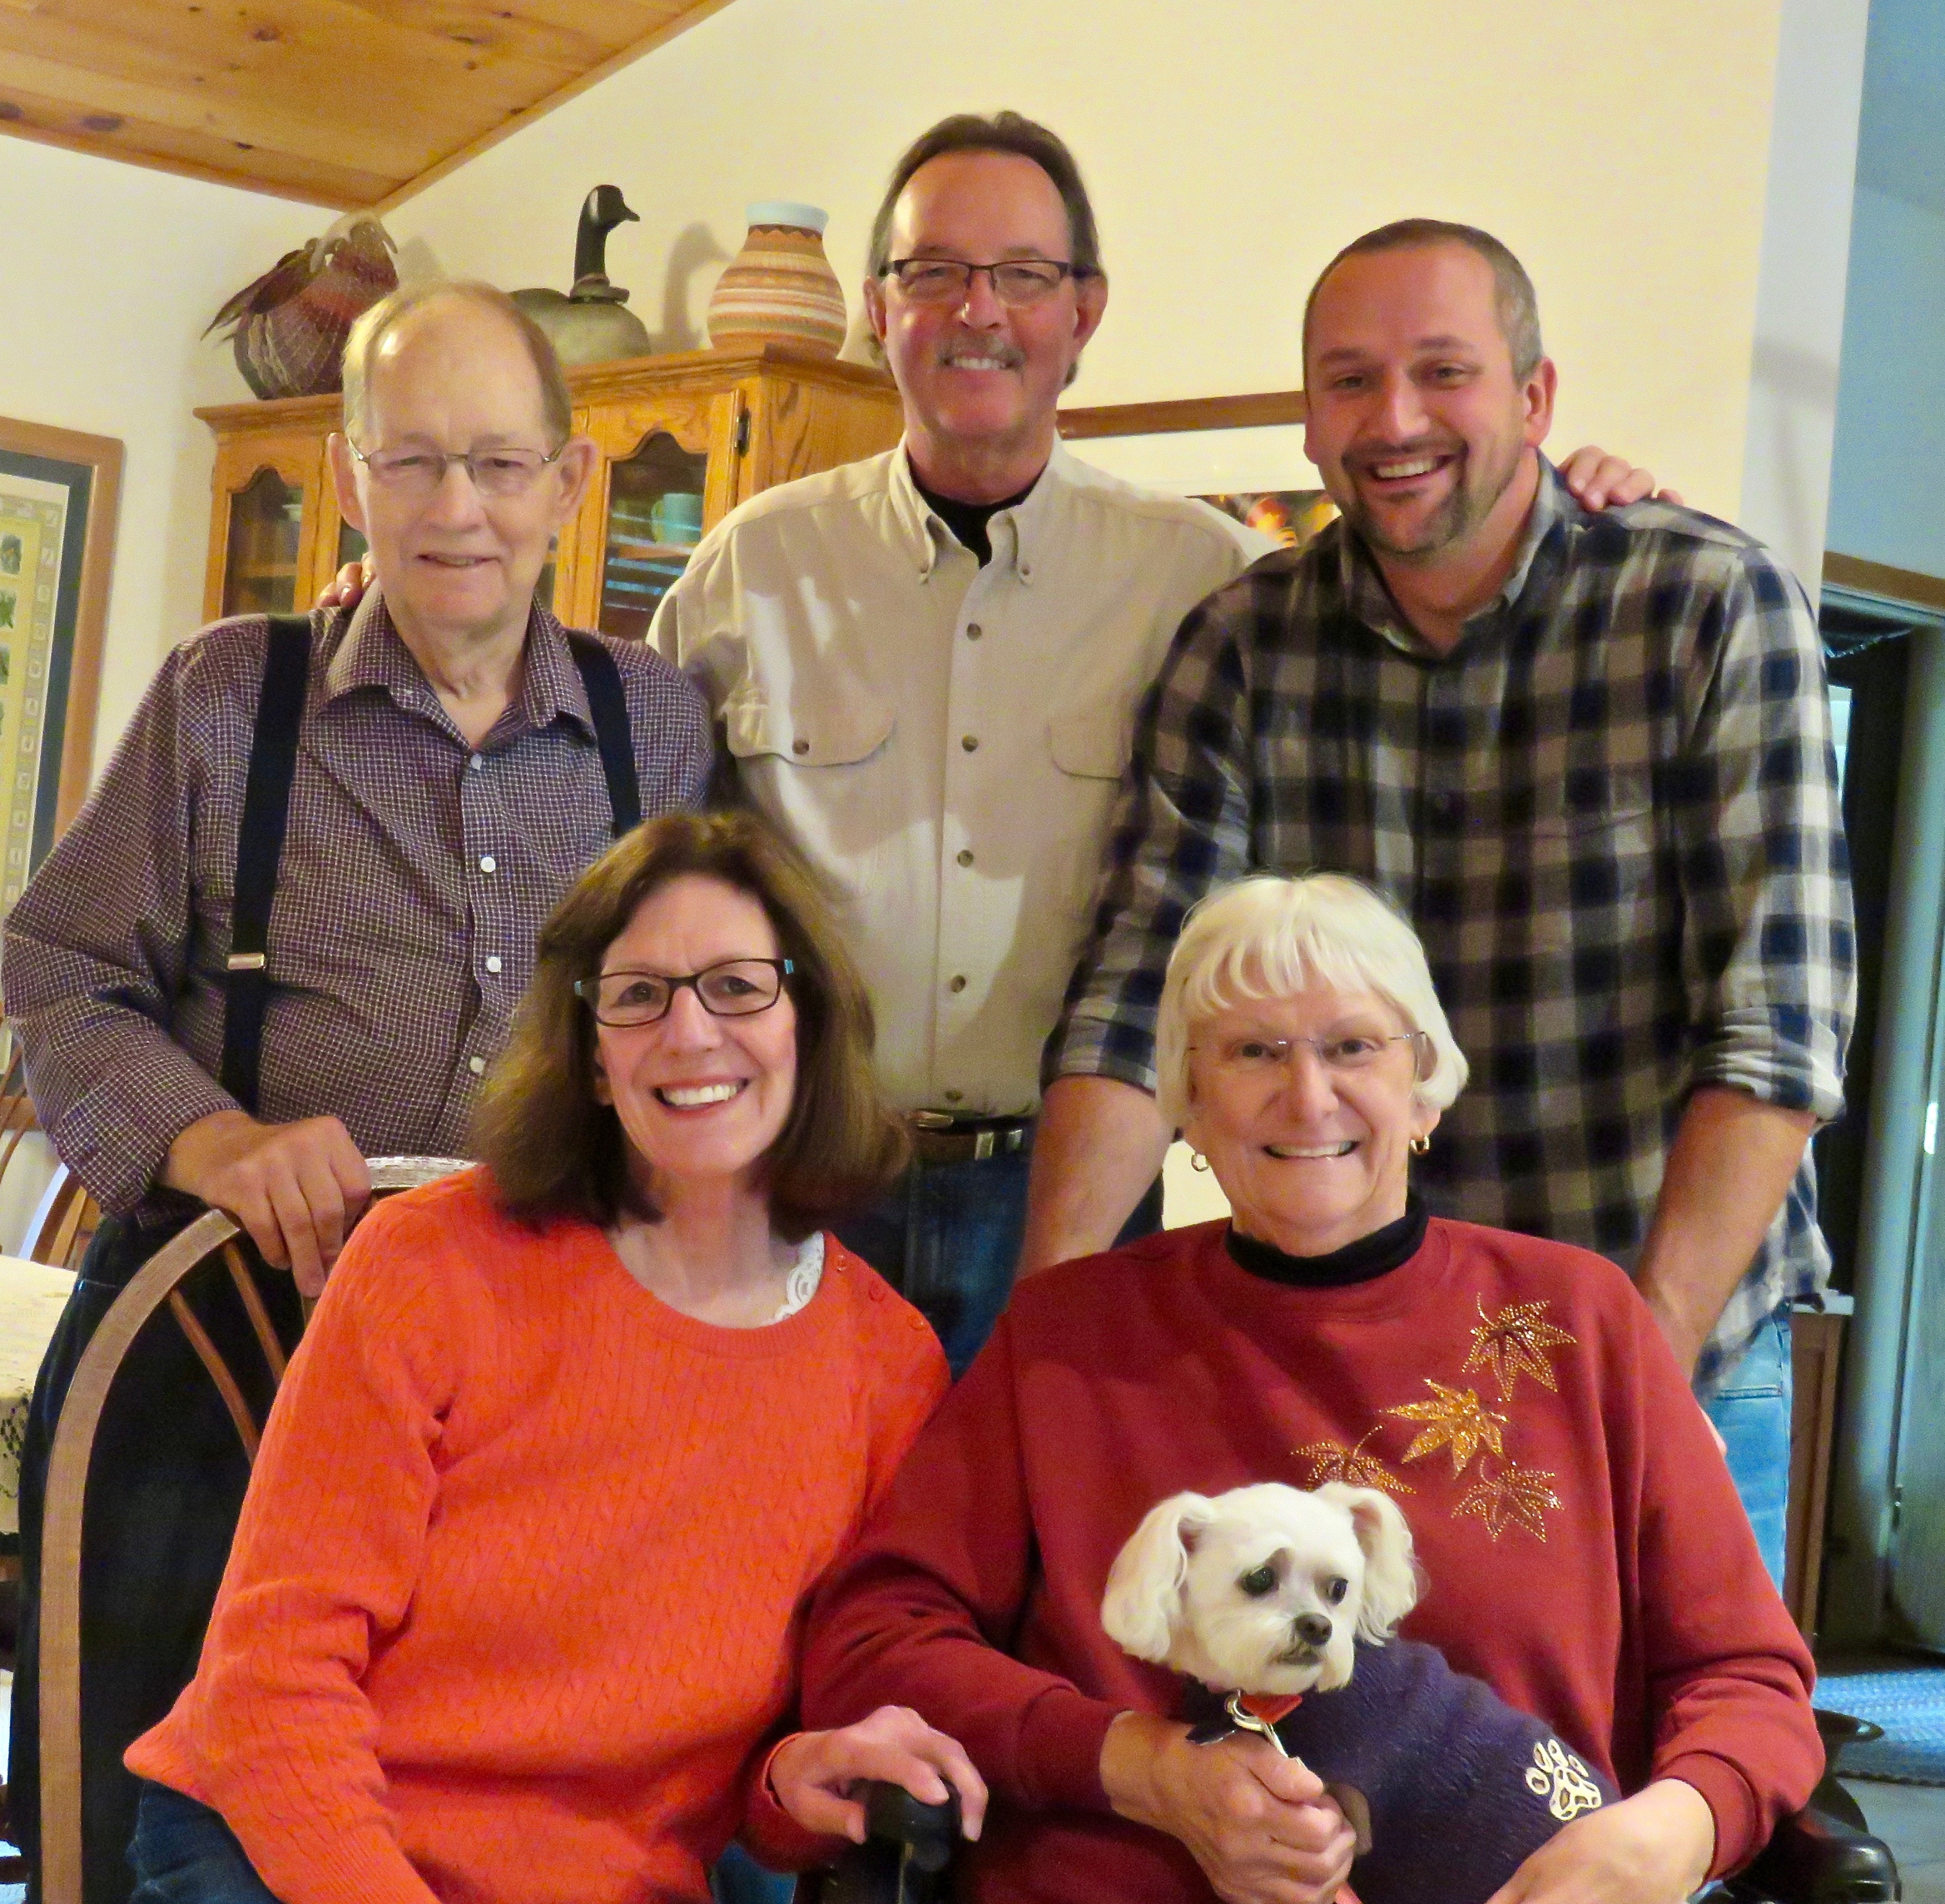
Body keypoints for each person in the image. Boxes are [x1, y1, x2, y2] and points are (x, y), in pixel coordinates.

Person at [642, 118, 1665, 1375]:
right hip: (790, 1177)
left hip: (1071, 1191)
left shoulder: (1209, 579)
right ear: (877, 308)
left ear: (1086, 311)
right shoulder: (752, 563)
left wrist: (1593, 508)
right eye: (933, 273)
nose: (979, 310)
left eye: (1024, 274)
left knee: (1053, 1555)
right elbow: (625, 841)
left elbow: (1426, 570)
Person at [1, 279, 712, 1901]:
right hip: (210, 1349)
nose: (456, 508)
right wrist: (208, 1133)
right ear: (346, 480)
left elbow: (712, 1031)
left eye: (499, 464)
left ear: (569, 485)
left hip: (525, 1400)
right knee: (153, 1805)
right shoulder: (223, 700)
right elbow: (54, 966)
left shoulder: (656, 731)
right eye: (411, 463)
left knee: (457, 1810)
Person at [1026, 218, 1854, 1584]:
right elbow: (1136, 998)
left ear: (1534, 398)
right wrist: (1044, 1336)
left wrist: (1627, 1377)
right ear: (1308, 419)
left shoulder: (1708, 606)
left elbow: (1779, 1035)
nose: (1394, 418)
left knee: (1664, 1779)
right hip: (1336, 1358)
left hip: (1672, 1342)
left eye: (1443, 372)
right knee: (1350, 1778)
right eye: (1349, 379)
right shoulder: (1243, 646)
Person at [801, 871, 1822, 1904]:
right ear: (1188, 1104)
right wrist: (1140, 1768)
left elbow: (1746, 1680)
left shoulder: (1578, 1323)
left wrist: (1670, 1832)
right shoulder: (1067, 1338)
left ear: (1424, 1089)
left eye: (1351, 1047)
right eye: (1252, 1052)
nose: (1307, 1096)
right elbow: (875, 1642)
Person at [120, 809, 982, 1904]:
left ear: (807, 1018)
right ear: (586, 1059)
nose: (689, 1033)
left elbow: (755, 1779)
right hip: (293, 1842)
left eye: (737, 985)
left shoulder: (888, 1365)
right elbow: (271, 1686)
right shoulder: (431, 1260)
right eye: (636, 996)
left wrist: (793, 1782)